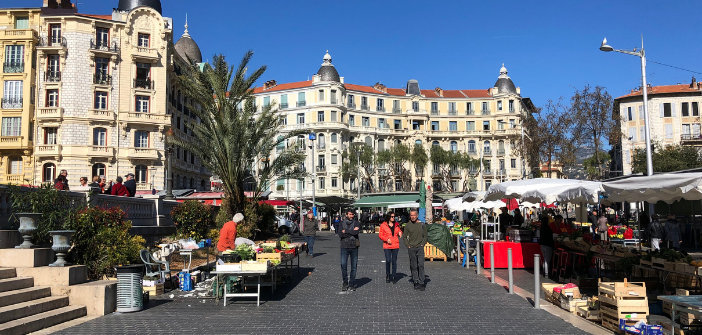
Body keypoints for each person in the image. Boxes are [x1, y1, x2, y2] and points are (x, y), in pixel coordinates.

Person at [402, 209, 428, 291]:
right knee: (414, 265)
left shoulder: (422, 225)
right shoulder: (408, 225)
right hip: (411, 248)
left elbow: (425, 236)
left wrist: (422, 244)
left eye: (414, 215)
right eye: (411, 215)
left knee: (420, 264)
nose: (412, 217)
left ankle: (421, 282)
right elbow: (404, 236)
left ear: (417, 215)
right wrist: (408, 245)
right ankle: (415, 281)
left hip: (420, 248)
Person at [338, 210, 360, 291]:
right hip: (344, 246)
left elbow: (356, 232)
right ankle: (345, 282)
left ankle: (351, 283)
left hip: (354, 246)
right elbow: (340, 234)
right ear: (346, 214)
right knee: (343, 265)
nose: (351, 216)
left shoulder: (356, 222)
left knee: (354, 266)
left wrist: (346, 231)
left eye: (352, 214)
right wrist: (352, 231)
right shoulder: (341, 223)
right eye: (350, 214)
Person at [379, 212, 402, 284]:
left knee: (394, 261)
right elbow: (380, 235)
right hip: (387, 245)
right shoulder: (383, 225)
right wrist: (386, 239)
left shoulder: (396, 225)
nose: (393, 218)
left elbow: (399, 231)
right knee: (388, 260)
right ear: (388, 217)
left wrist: (400, 233)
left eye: (394, 217)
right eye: (392, 216)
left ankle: (394, 276)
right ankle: (388, 274)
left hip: (395, 245)